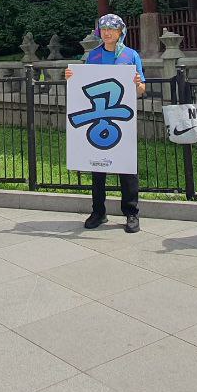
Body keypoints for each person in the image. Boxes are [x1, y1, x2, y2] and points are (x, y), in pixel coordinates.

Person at [68, 14, 146, 233]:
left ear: (121, 31)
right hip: (97, 115)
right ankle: (98, 211)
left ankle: (131, 212)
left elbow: (141, 90)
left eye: (112, 29)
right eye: (103, 29)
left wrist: (138, 85)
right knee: (97, 165)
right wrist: (71, 77)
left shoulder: (131, 55)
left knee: (127, 166)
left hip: (121, 118)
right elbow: (83, 84)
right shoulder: (93, 55)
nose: (107, 33)